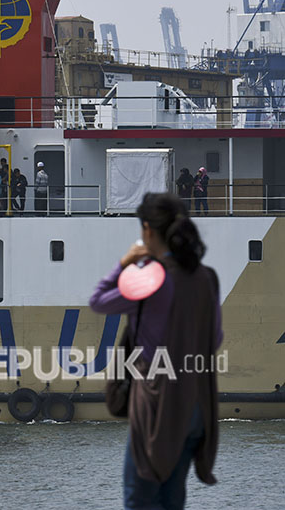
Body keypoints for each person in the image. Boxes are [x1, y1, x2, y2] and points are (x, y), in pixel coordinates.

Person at [89, 193, 221, 510]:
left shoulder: (149, 277)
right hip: (197, 407)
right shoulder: (206, 277)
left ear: (147, 230)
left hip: (158, 408)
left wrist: (125, 262)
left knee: (140, 499)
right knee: (172, 499)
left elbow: (98, 300)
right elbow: (214, 338)